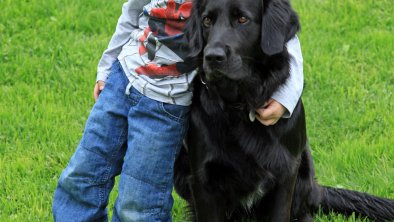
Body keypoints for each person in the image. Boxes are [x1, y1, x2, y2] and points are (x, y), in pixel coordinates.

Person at [52, 0, 304, 221]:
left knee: (140, 195)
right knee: (85, 169)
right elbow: (131, 13)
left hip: (165, 104)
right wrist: (106, 68)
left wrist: (285, 97)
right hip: (123, 78)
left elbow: (287, 41)